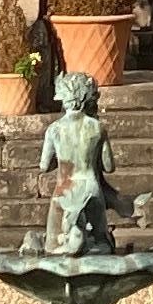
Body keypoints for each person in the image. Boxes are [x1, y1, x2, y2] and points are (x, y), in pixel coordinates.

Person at [38, 67, 127, 252]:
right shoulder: (97, 127)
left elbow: (44, 166)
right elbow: (109, 166)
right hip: (90, 188)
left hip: (64, 190)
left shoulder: (54, 129)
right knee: (103, 244)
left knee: (52, 247)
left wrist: (61, 157)